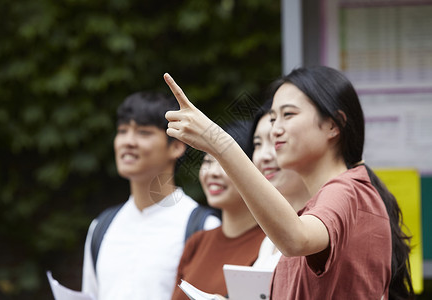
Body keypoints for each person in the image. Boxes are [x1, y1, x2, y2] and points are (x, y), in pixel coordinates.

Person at [163, 66, 413, 299]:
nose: (276, 130)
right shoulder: (332, 197)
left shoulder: (347, 189)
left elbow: (297, 239)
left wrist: (219, 143)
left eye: (288, 115)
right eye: (273, 119)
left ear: (333, 125)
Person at [81, 91, 221, 300]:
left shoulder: (203, 227)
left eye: (143, 132)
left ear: (176, 146)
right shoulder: (101, 227)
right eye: (122, 130)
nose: (128, 141)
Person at [171, 121, 266, 300]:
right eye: (208, 160)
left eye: (223, 162)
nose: (212, 172)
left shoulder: (272, 245)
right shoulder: (197, 243)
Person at [250, 100, 310, 269]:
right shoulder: (269, 241)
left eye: (275, 141)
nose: (264, 156)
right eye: (257, 144)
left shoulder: (325, 227)